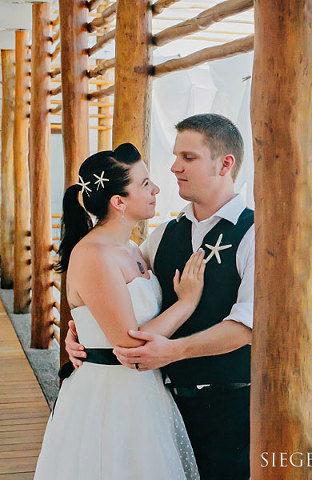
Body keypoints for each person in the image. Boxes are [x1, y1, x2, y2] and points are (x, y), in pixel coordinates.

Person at [66, 114, 254, 479]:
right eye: (175, 156)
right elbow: (110, 296)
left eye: (188, 157)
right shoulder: (163, 234)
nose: (174, 167)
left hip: (229, 408)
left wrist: (175, 350)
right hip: (160, 404)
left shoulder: (255, 235)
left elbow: (248, 325)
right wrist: (83, 334)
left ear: (225, 164)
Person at [35, 144, 203, 479]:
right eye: (144, 184)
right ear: (118, 202)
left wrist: (78, 329)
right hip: (109, 397)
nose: (155, 189)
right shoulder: (95, 255)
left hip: (143, 390)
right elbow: (130, 342)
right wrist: (187, 302)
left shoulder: (129, 248)